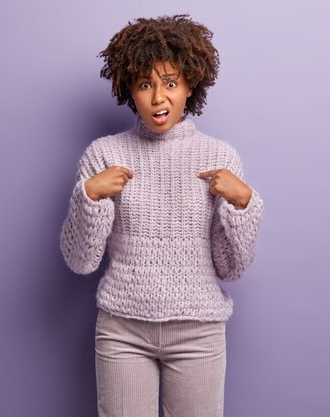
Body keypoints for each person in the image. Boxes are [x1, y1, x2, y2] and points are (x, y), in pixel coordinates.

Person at [60, 14, 264, 417]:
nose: (158, 98)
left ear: (190, 85)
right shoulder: (103, 155)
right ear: (128, 89)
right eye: (145, 84)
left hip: (198, 333)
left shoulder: (220, 158)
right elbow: (80, 262)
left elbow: (230, 267)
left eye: (170, 83)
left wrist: (243, 204)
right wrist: (90, 197)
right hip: (122, 330)